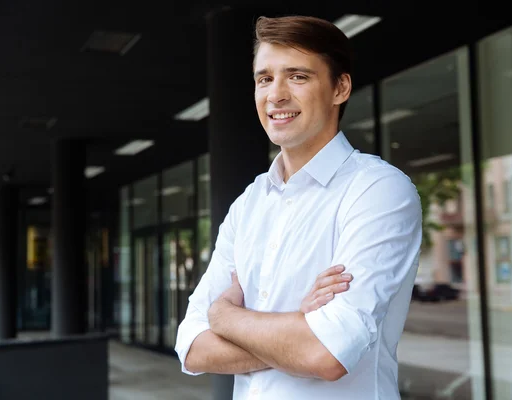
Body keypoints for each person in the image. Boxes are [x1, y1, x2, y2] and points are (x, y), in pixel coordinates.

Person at [175, 14, 422, 399]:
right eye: (264, 78)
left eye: (298, 76)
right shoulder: (249, 203)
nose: (276, 95)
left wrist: (224, 315)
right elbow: (192, 347)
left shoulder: (377, 190)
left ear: (340, 88)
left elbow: (324, 353)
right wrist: (297, 326)